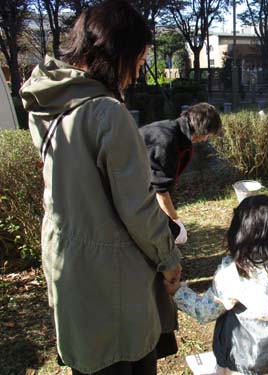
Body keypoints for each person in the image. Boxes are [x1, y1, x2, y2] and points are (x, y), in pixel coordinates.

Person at [19, 1, 182, 374]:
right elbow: (139, 208)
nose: (138, 72)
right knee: (121, 359)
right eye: (138, 60)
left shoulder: (49, 104)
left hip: (68, 263)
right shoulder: (107, 113)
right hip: (112, 278)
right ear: (117, 52)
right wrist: (169, 260)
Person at [165, 195, 268, 375]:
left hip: (241, 358)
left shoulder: (232, 273)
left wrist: (178, 292)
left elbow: (205, 311)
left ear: (238, 231)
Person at [139, 103, 222, 243]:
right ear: (202, 129)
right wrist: (176, 221)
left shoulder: (175, 131)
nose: (206, 139)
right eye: (208, 134)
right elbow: (160, 190)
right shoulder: (167, 140)